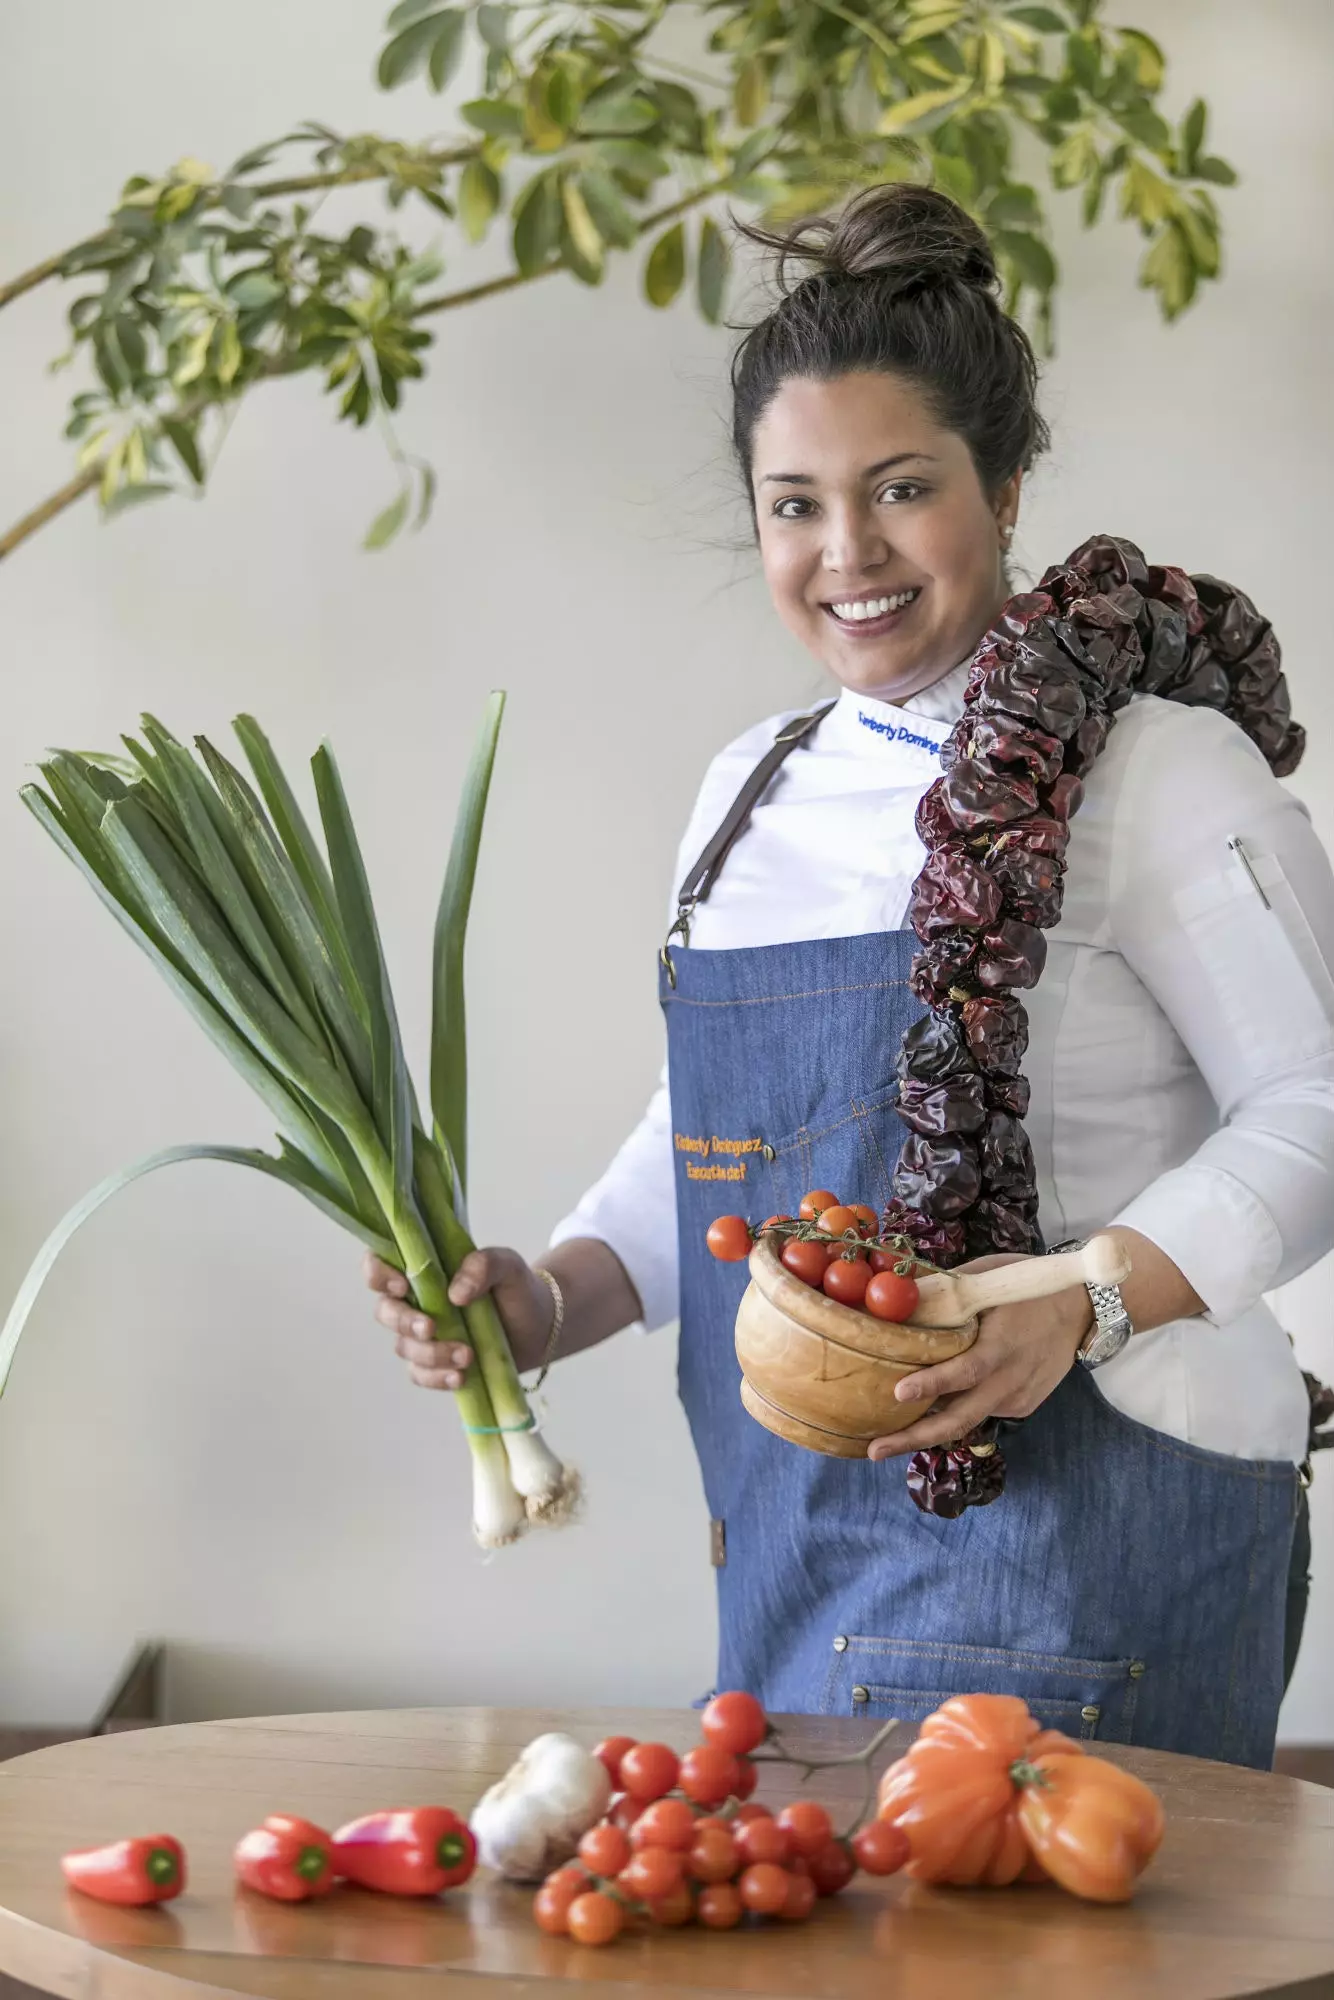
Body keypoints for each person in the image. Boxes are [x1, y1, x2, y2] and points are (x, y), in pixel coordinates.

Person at [367, 185, 1334, 1769]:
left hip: (1085, 1540)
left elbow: (1312, 1107)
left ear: (1005, 490)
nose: (847, 554)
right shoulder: (749, 786)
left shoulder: (1155, 768)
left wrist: (1077, 1304)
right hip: (796, 1560)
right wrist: (553, 1297)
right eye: (793, 505)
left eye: (900, 489)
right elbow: (721, 1131)